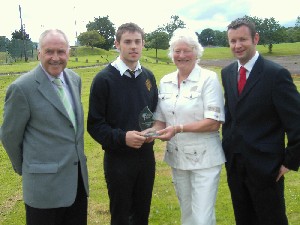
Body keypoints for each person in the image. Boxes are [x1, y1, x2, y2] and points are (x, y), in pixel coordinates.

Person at [1, 29, 89, 225]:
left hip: (76, 184)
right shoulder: (21, 88)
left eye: (61, 51)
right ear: (39, 52)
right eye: (49, 52)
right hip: (43, 190)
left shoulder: (74, 79)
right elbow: (9, 136)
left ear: (69, 53)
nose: (55, 58)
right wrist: (28, 167)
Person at [221, 18, 300, 225]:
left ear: (255, 38)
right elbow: (231, 115)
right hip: (235, 164)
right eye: (232, 41)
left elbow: (296, 121)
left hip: (267, 166)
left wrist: (289, 162)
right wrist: (228, 147)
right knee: (243, 218)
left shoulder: (276, 75)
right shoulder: (227, 73)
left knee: (270, 219)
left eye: (242, 39)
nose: (237, 46)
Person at [151, 28, 226, 225]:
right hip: (177, 158)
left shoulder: (208, 79)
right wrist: (148, 133)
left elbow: (213, 122)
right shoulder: (165, 81)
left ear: (197, 52)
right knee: (187, 215)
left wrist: (177, 129)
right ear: (171, 53)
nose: (182, 55)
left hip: (205, 160)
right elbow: (160, 120)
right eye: (177, 51)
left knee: (202, 218)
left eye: (187, 50)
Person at [87, 22, 158, 225]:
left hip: (146, 158)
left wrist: (152, 132)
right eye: (128, 42)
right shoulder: (104, 79)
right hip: (118, 160)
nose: (133, 46)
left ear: (143, 44)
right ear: (117, 44)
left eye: (137, 41)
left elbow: (153, 113)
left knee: (142, 213)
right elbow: (95, 125)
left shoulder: (148, 77)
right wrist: (122, 137)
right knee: (121, 215)